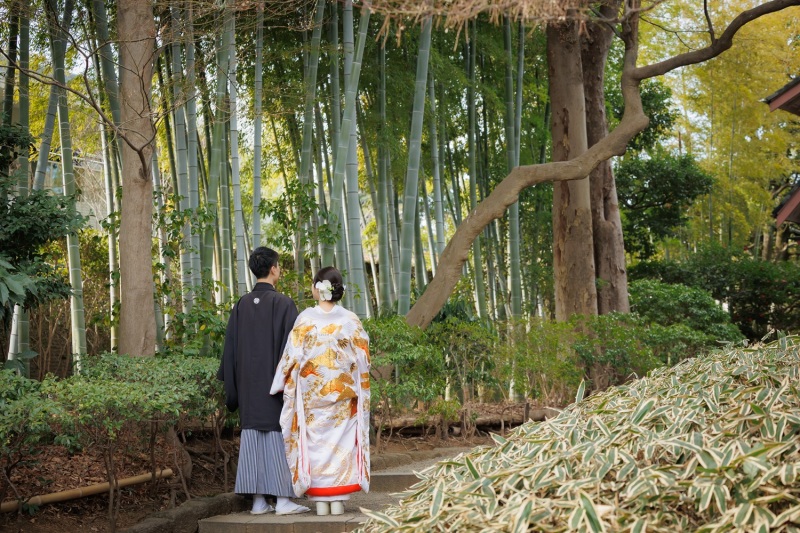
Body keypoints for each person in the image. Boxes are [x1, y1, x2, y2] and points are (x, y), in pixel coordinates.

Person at [217, 247, 310, 516]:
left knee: (253, 436)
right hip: (275, 385)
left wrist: (233, 385)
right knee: (277, 435)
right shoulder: (284, 304)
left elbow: (230, 349)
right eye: (278, 266)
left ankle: (258, 502)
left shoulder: (241, 305)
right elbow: (293, 351)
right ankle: (282, 500)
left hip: (247, 385)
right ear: (273, 269)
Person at [270, 266, 371, 516]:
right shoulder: (350, 319)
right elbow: (363, 358)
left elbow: (291, 356)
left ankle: (321, 502)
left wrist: (279, 382)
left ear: (318, 288)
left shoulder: (306, 319)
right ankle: (338, 500)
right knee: (341, 443)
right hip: (343, 394)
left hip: (312, 396)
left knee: (315, 444)